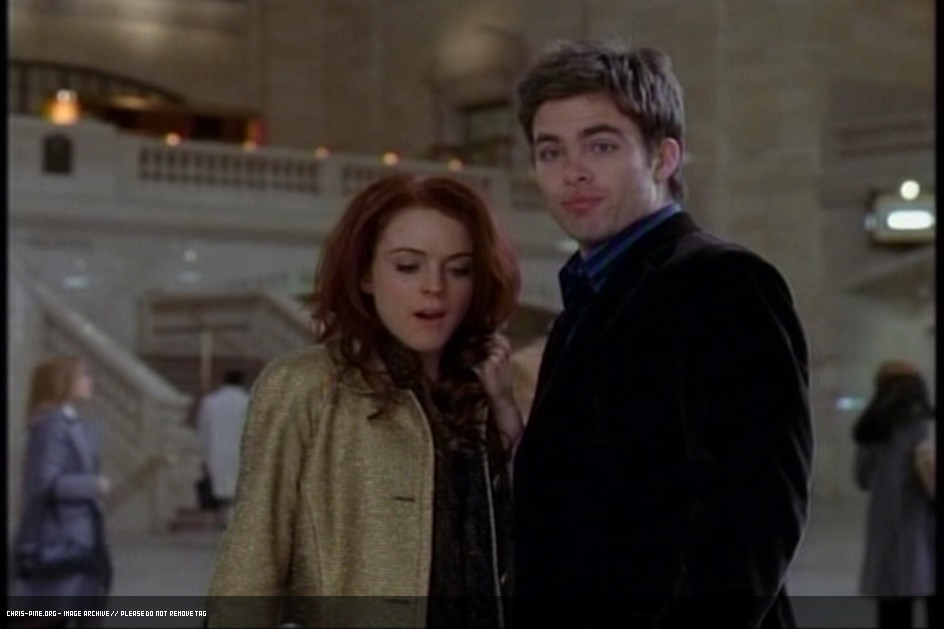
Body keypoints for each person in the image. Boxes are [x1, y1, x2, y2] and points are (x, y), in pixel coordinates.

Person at [511, 40, 814, 627]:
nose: (572, 171)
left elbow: (751, 520)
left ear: (663, 157)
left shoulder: (722, 282)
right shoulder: (586, 300)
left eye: (601, 145)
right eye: (550, 151)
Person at [207, 173, 522, 628]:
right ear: (365, 274)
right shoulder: (307, 386)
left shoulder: (482, 390)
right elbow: (251, 565)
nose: (434, 286)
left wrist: (507, 421)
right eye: (408, 266)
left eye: (458, 269)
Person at [10, 355, 113, 628]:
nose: (90, 382)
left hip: (82, 536)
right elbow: (44, 482)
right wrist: (93, 485)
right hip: (61, 538)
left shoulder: (72, 422)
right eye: (83, 376)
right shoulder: (51, 425)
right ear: (63, 382)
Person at [852, 360, 935, 629]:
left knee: (893, 610)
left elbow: (862, 478)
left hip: (887, 530)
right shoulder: (927, 425)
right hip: (927, 528)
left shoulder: (871, 430)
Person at [196, 368, 250, 527]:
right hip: (240, 452)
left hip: (216, 452)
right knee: (237, 490)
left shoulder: (210, 402)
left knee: (221, 490)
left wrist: (203, 455)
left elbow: (204, 431)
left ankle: (224, 521)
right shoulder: (248, 402)